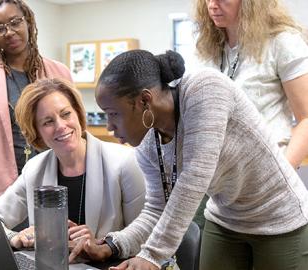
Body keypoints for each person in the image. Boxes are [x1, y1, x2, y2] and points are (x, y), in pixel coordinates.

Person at [75, 49, 308, 270]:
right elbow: (158, 208)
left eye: (113, 113)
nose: (109, 127)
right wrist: (112, 245)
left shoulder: (205, 89)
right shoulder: (149, 144)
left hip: (279, 217)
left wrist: (151, 256)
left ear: (144, 101)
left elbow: (195, 176)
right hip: (226, 219)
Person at [0, 78, 146, 259]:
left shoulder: (125, 162)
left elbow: (145, 235)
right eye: (48, 122)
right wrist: (14, 238)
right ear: (36, 131)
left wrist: (104, 243)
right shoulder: (34, 169)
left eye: (65, 114)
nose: (61, 126)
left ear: (78, 114)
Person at [0, 0, 73, 205]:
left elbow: (78, 131)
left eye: (15, 22)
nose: (9, 32)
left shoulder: (59, 73)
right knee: (12, 237)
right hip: (8, 189)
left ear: (27, 21)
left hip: (55, 180)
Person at [193, 0, 308, 169]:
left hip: (268, 169)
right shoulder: (208, 47)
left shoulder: (282, 42)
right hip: (224, 174)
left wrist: (283, 176)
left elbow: (306, 119)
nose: (212, 5)